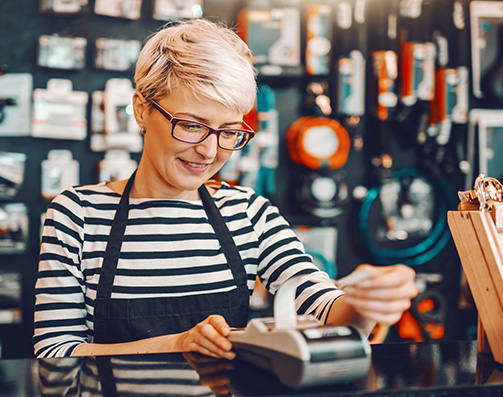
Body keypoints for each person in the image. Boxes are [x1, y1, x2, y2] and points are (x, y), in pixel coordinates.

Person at [33, 18, 418, 359]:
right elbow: (55, 353)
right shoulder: (78, 214)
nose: (209, 150)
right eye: (191, 125)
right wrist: (178, 344)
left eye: (229, 132)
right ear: (140, 109)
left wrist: (368, 303)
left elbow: (323, 306)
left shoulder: (248, 213)